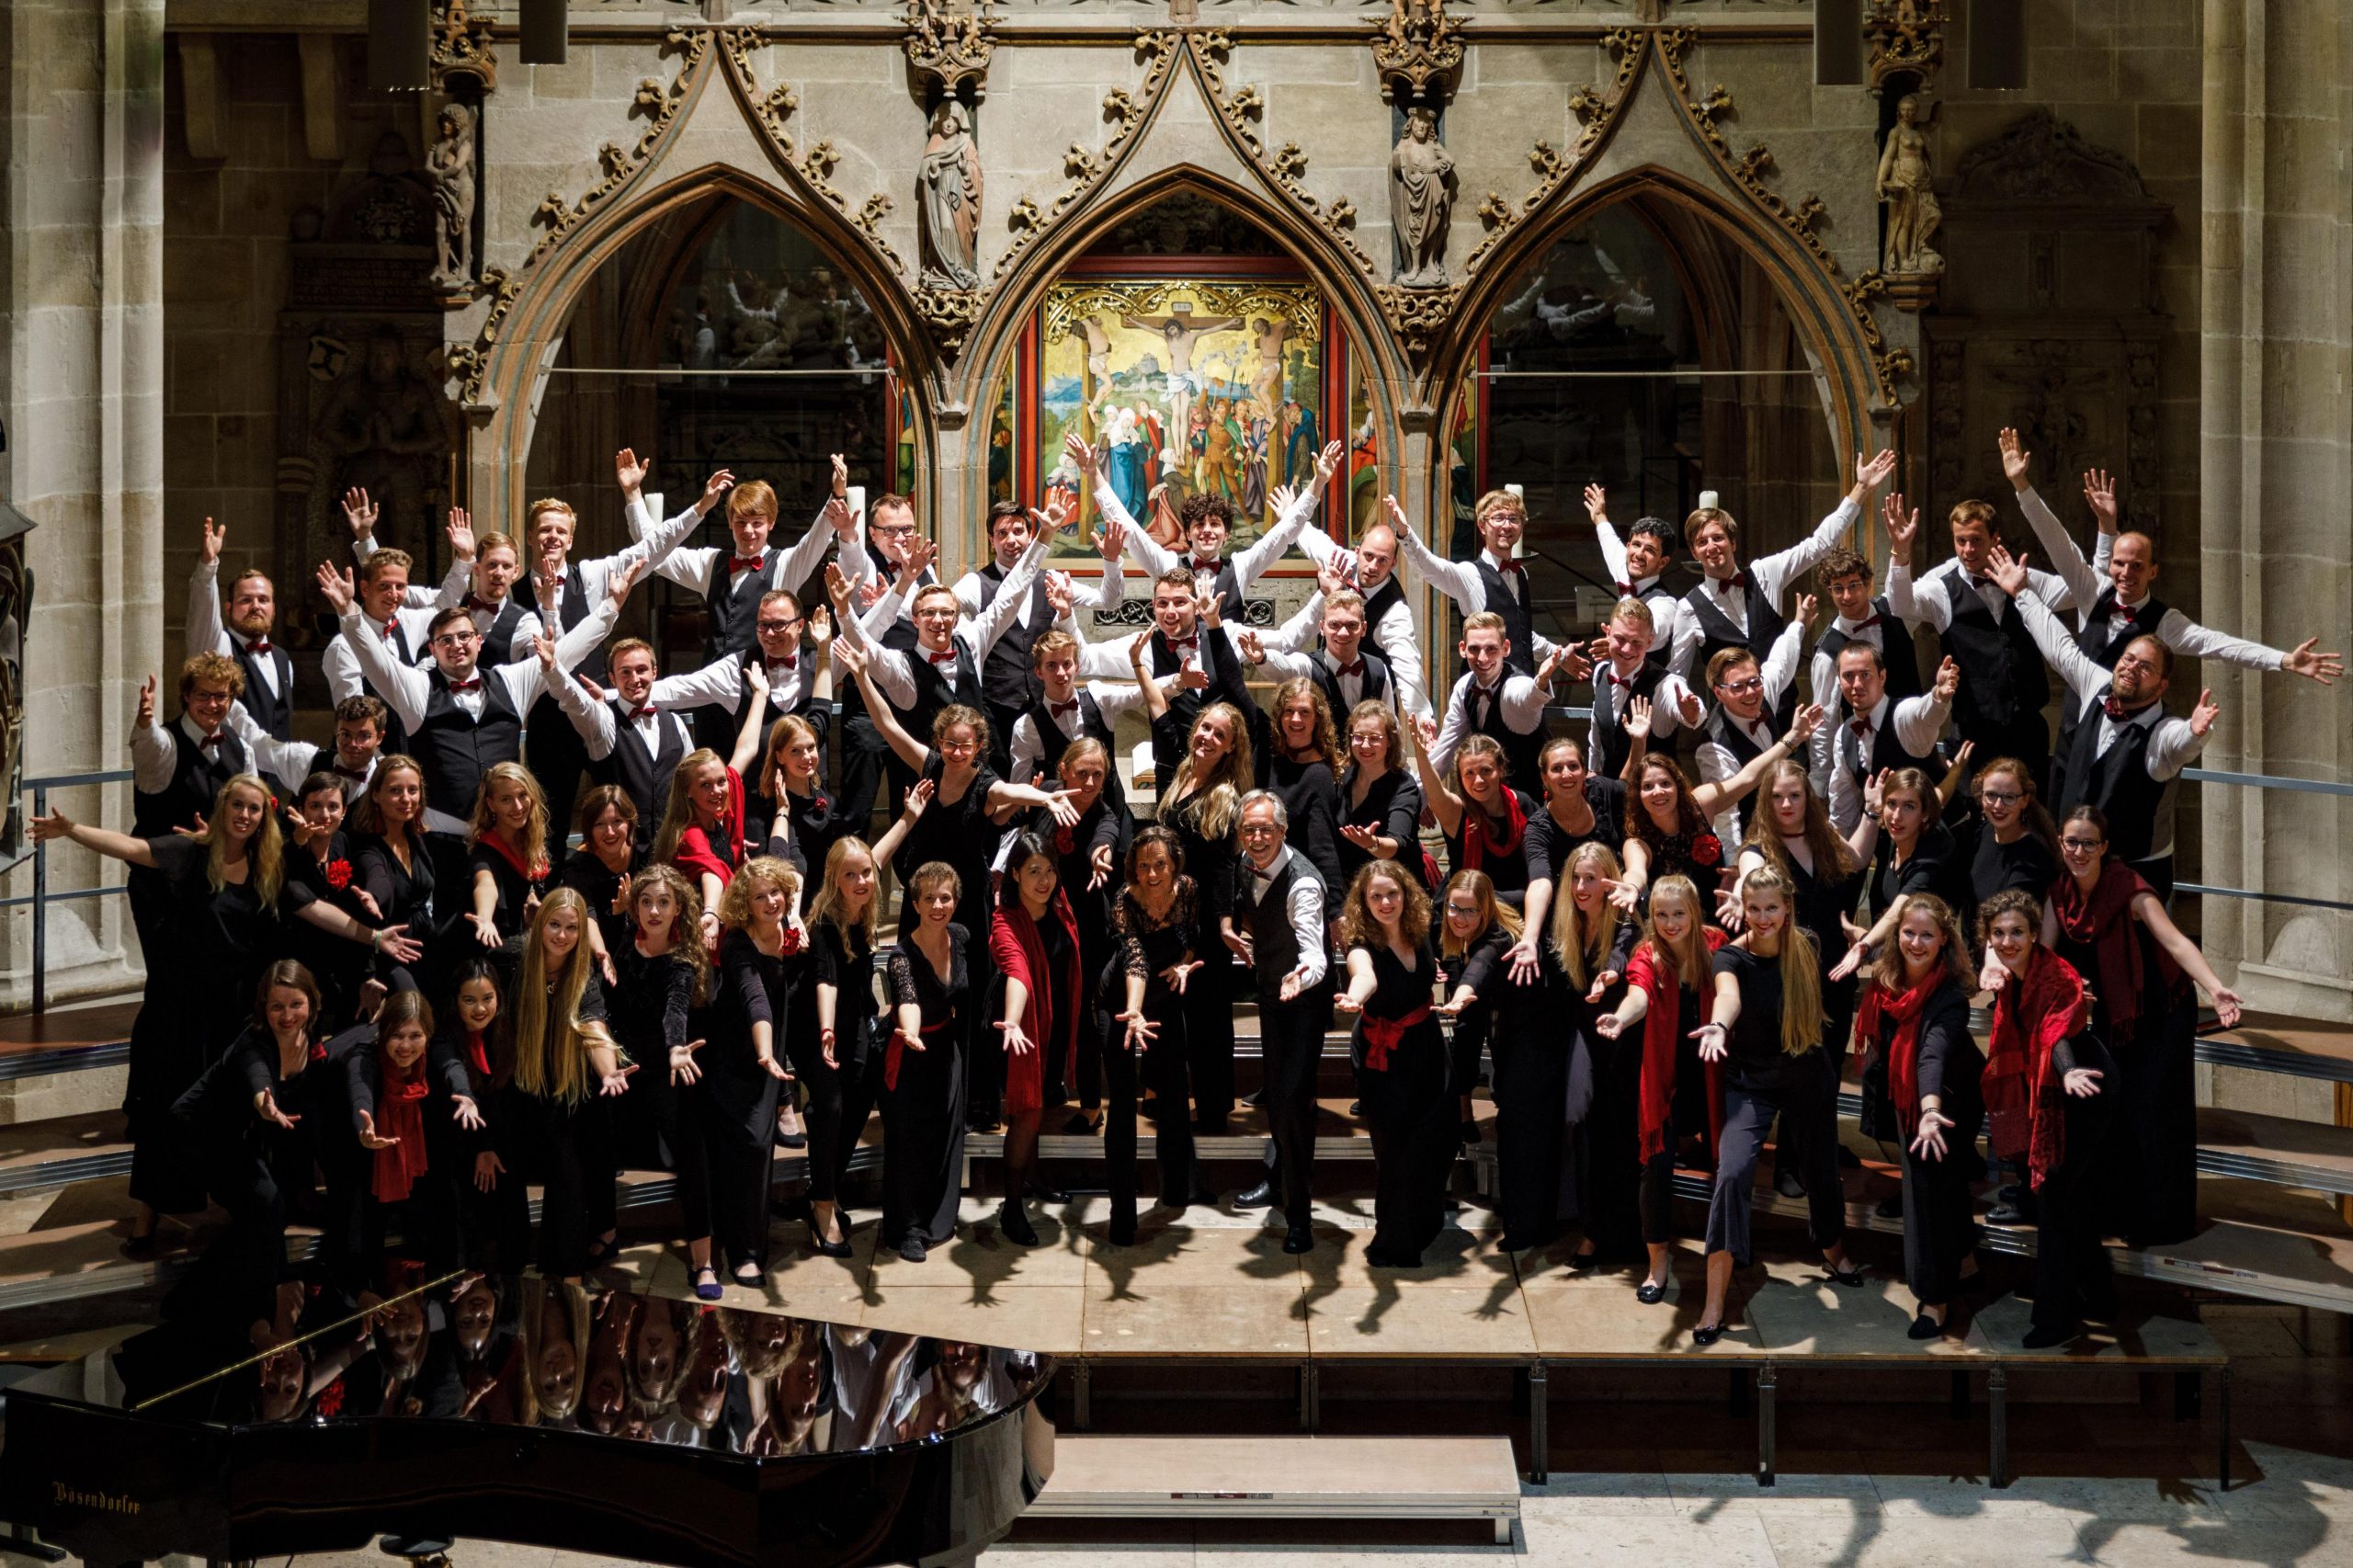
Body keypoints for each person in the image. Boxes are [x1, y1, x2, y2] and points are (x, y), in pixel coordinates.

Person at [35, 776, 413, 1256]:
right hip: (182, 1011)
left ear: (263, 817)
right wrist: (71, 830)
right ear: (223, 807)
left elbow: (317, 910)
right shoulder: (192, 853)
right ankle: (147, 1218)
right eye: (238, 805)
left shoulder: (267, 868)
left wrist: (375, 939)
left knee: (237, 1115)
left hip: (237, 1014)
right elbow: (131, 848)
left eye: (255, 809)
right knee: (166, 1113)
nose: (245, 815)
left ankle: (241, 1208)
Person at [1999, 431, 2340, 799]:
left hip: (2128, 741)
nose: (2126, 574)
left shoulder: (2165, 621)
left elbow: (2219, 645)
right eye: (2118, 564)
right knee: (2062, 816)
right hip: (2076, 729)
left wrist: (2284, 660)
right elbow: (2056, 541)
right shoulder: (2092, 590)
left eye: (2137, 566)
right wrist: (2021, 484)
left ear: (2153, 572)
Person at [320, 558, 631, 842]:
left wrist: (612, 605)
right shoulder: (418, 688)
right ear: (433, 648)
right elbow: (378, 664)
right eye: (446, 639)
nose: (456, 645)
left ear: (478, 641)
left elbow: (569, 650)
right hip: (440, 837)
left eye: (464, 636)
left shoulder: (510, 681)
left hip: (507, 836)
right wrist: (350, 612)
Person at [2046, 805, 2241, 1249]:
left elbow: (2175, 941)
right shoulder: (2058, 895)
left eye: (2088, 843)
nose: (2079, 851)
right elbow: (2043, 954)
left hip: (2162, 1009)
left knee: (2154, 1111)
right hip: (2116, 1014)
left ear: (2105, 848)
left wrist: (2216, 988)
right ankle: (2120, 1211)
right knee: (2116, 1109)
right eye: (2071, 842)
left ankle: (2163, 1221)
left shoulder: (2130, 889)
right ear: (2060, 844)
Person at [1692, 868, 1863, 1346]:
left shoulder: (1804, 944)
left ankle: (1834, 1250)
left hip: (1806, 1071)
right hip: (1750, 1080)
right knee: (1732, 1172)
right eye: (1755, 908)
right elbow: (1727, 997)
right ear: (1743, 909)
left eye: (1772, 908)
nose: (1764, 918)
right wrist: (1719, 1027)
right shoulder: (1730, 957)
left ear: (1787, 907)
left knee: (1821, 1169)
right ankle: (1714, 1299)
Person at [1989, 542, 2218, 899]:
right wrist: (2021, 593)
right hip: (2073, 866)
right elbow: (2057, 642)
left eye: (2145, 667)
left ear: (2162, 685)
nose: (2130, 669)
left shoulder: (2161, 733)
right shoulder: (2097, 683)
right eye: (2128, 660)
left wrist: (2195, 731)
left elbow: (2181, 743)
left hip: (2133, 875)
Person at [165, 963, 346, 1321]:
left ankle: (276, 1286)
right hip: (203, 1133)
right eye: (276, 1006)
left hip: (249, 1132)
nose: (287, 1015)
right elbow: (258, 1080)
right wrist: (265, 1104)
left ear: (312, 1002)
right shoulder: (253, 1045)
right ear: (263, 1008)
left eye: (295, 1004)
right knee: (267, 1208)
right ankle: (194, 1300)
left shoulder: (312, 1035)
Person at [1975, 890, 2113, 1346]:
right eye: (2000, 933)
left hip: (2082, 1085)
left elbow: (2055, 1035)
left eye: (2018, 932)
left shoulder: (2052, 977)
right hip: (2062, 1086)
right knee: (2066, 1201)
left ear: (2036, 934)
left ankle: (2053, 1321)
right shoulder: (2014, 975)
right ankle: (2098, 1299)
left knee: (2054, 1202)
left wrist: (2069, 1069)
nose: (2009, 940)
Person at [1733, 760, 1871, 1198]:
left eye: (1795, 795)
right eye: (1777, 797)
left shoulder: (1823, 837)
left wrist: (1869, 812)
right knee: (1799, 1070)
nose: (1787, 804)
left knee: (1828, 1067)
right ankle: (1790, 1164)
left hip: (1834, 970)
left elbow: (1857, 861)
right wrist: (1740, 898)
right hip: (1791, 979)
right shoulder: (1759, 847)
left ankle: (1821, 1147)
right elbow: (1748, 880)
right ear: (1765, 801)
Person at [1489, 843, 1631, 1255]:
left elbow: (1622, 953)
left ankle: (1600, 1232)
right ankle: (1582, 1222)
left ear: (1609, 881)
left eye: (1592, 879)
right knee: (1574, 1116)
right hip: (1580, 1035)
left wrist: (1610, 975)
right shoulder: (1563, 921)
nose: (1582, 887)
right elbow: (1495, 896)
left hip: (1619, 1037)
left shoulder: (1622, 921)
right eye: (1576, 878)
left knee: (1606, 1129)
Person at [1882, 489, 2078, 785]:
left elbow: (2078, 589)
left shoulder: (2024, 579)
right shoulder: (1941, 590)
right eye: (1961, 541)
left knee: (2031, 815)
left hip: (2028, 731)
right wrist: (1900, 552)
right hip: (1973, 734)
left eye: (1976, 540)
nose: (1968, 550)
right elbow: (1899, 605)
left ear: (1995, 538)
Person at [1593, 874, 1726, 1303]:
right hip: (1665, 1077)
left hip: (1711, 1072)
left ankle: (1728, 1246)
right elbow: (1639, 995)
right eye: (1662, 915)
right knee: (1656, 1166)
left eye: (1679, 914)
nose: (1671, 923)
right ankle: (1658, 1264)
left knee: (1729, 1165)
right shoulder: (1647, 953)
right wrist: (1622, 1018)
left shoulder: (1717, 945)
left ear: (1694, 913)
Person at [1854, 894, 1982, 1338]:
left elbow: (1932, 1053)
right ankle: (1964, 1259)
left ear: (1944, 939)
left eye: (1928, 934)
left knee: (1926, 1198)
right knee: (1942, 1191)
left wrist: (1929, 1110)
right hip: (1912, 1101)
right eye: (1909, 932)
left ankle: (1934, 1299)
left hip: (1947, 1105)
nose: (1916, 941)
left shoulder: (1951, 998)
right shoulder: (1887, 981)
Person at [1670, 449, 1895, 687]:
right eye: (1702, 542)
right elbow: (1676, 674)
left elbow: (1819, 545)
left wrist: (1860, 489)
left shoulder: (1766, 573)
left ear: (1733, 542)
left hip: (1784, 714)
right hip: (1731, 719)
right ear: (1694, 552)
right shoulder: (1688, 609)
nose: (1711, 547)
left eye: (1718, 538)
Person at [1142, 685, 1254, 1145]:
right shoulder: (1181, 771)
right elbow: (1159, 715)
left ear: (1231, 747)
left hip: (1205, 922)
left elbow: (1227, 865)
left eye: (1219, 734)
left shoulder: (1226, 794)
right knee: (1169, 1008)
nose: (1208, 737)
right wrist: (1137, 666)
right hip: (1168, 914)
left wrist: (1227, 923)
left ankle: (1213, 1109)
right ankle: (1165, 1092)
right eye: (1205, 727)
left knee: (1208, 1019)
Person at [798, 829, 915, 1257]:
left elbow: (877, 857)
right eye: (851, 875)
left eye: (865, 873)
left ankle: (823, 1188)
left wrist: (905, 819)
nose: (862, 881)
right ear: (834, 880)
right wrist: (827, 1030)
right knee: (828, 1106)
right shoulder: (825, 922)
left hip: (853, 1021)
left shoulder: (862, 910)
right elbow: (826, 980)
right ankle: (823, 1204)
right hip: (815, 1023)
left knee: (863, 1091)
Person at [510, 888, 632, 1282]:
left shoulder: (583, 975)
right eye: (555, 925)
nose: (562, 935)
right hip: (523, 1080)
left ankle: (567, 1271)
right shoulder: (514, 958)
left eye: (572, 928)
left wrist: (609, 1071)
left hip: (570, 1081)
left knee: (569, 1158)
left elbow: (594, 1025)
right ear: (540, 922)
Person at [1229, 791, 1333, 1252]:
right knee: (1275, 1096)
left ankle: (1300, 1218)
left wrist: (1300, 977)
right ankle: (1277, 1178)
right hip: (1272, 996)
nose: (1257, 837)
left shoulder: (1302, 884)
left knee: (1294, 1103)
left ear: (1283, 831)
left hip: (1304, 1002)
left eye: (1266, 829)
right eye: (1249, 829)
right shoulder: (1244, 863)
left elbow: (1315, 954)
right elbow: (1246, 907)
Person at [952, 498, 1126, 768]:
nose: (1011, 540)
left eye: (1018, 531)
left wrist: (1112, 561)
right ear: (991, 540)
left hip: (1045, 708)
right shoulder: (976, 584)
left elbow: (1109, 601)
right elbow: (943, 606)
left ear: (1030, 535)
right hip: (996, 710)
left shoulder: (1053, 580)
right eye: (1002, 533)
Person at [1334, 858, 1448, 1267]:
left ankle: (1425, 1224)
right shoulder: (1362, 945)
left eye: (1392, 893)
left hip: (1426, 1047)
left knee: (1431, 1141)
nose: (1385, 902)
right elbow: (1364, 975)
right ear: (1364, 903)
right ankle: (1393, 1244)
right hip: (1383, 1056)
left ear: (1406, 895)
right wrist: (1355, 996)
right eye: (1375, 896)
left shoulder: (1419, 931)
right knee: (1395, 1150)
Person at [548, 635, 772, 842]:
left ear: (654, 672)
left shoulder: (675, 723)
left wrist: (718, 834)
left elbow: (695, 787)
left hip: (673, 847)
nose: (634, 679)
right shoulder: (603, 721)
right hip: (619, 850)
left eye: (641, 670)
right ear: (612, 678)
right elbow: (575, 702)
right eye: (625, 672)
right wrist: (552, 668)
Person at [701, 858, 805, 1288]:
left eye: (775, 893)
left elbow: (791, 860)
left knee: (758, 1150)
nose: (770, 901)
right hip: (735, 1058)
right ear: (745, 902)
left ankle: (748, 1246)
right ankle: (742, 1252)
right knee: (746, 1147)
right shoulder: (738, 946)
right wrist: (765, 1051)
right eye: (759, 895)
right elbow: (753, 998)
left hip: (769, 1058)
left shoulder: (789, 932)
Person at [1618, 710, 1823, 917]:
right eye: (1648, 787)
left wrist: (1794, 736)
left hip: (1721, 914)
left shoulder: (1700, 803)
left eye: (1665, 783)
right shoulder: (1636, 842)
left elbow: (1748, 778)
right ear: (1638, 795)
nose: (1658, 792)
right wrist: (1632, 887)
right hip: (1671, 927)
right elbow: (1635, 871)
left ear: (1678, 786)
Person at [1101, 828, 1202, 1244]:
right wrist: (1135, 1012)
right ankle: (1122, 1214)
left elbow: (1192, 937)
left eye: (1160, 864)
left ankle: (1178, 1189)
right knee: (1123, 1105)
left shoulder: (1189, 890)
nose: (1152, 873)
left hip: (1164, 996)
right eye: (1143, 865)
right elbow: (1136, 959)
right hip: (1121, 1002)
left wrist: (1185, 963)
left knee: (1176, 1090)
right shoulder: (1125, 900)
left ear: (1174, 864)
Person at [989, 833, 1086, 1245]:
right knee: (1026, 1112)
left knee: (1043, 1104)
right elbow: (1019, 973)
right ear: (1014, 874)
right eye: (1033, 872)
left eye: (1049, 870)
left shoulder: (1060, 906)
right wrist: (1013, 1021)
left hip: (1054, 1023)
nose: (1044, 880)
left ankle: (1034, 1178)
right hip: (1018, 1029)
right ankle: (1011, 1207)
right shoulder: (1004, 922)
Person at [881, 861, 976, 1263]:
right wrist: (913, 1032)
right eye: (930, 898)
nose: (938, 905)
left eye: (946, 897)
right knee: (908, 1143)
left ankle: (937, 1221)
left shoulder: (960, 935)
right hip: (910, 1050)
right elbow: (908, 1001)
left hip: (946, 1048)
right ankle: (907, 1229)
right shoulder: (902, 956)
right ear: (915, 903)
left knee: (944, 1136)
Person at [342, 990, 457, 1284]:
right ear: (382, 1034)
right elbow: (359, 1091)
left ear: (428, 1035)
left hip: (404, 1152)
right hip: (346, 1132)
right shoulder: (365, 1055)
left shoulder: (428, 1063)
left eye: (415, 1036)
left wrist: (466, 1097)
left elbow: (453, 1069)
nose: (406, 1046)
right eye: (397, 1035)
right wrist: (363, 1128)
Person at [1391, 487, 1563, 677]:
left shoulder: (1520, 574)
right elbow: (1431, 568)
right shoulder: (1470, 574)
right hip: (1485, 692)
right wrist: (1405, 532)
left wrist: (1560, 655)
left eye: (1514, 519)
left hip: (1524, 691)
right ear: (1482, 526)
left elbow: (1520, 634)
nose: (1507, 526)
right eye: (1498, 518)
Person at [431, 955, 530, 1272]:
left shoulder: (505, 1032)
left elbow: (507, 1101)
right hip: (456, 1141)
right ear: (456, 1002)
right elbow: (453, 1071)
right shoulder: (444, 1036)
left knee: (509, 1174)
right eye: (469, 1000)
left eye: (487, 999)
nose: (480, 1009)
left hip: (497, 1136)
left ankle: (514, 1281)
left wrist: (489, 1146)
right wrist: (480, 1145)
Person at [1293, 507, 1433, 720]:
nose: (1372, 566)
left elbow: (1408, 667)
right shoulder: (1343, 563)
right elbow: (1312, 540)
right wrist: (1291, 512)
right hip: (1327, 689)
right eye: (1368, 556)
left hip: (1371, 705)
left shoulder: (1395, 611)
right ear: (1357, 552)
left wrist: (1421, 717)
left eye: (1383, 560)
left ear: (1394, 563)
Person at [1693, 610, 1813, 845]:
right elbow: (1726, 817)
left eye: (1754, 682)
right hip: (1755, 841)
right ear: (1719, 693)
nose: (1750, 692)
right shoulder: (1713, 748)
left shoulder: (1762, 690)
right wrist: (1736, 866)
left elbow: (1782, 660)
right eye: (1737, 687)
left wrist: (1799, 624)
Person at [1513, 736, 1629, 978]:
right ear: (1544, 778)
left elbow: (1635, 790)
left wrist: (1639, 742)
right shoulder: (1538, 827)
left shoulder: (1603, 791)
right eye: (1557, 769)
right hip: (1568, 920)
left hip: (1615, 910)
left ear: (1584, 771)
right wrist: (1529, 938)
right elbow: (1540, 881)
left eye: (1573, 766)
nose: (1567, 774)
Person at [1006, 628, 1146, 824]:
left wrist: (1179, 681)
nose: (1061, 673)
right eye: (1051, 666)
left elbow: (1141, 694)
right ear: (1038, 671)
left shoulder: (1098, 696)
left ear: (1077, 667)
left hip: (1112, 813)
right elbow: (1018, 790)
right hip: (1062, 822)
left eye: (1066, 664)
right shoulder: (1026, 727)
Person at [1430, 610, 1577, 794]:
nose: (1482, 658)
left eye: (1491, 649)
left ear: (1505, 648)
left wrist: (1541, 680)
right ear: (1462, 649)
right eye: (1474, 649)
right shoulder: (1464, 687)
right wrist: (1421, 796)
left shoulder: (1514, 684)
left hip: (1534, 802)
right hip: (1491, 799)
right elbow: (1444, 751)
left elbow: (1527, 696)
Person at [1822, 641, 1954, 835]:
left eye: (1865, 675)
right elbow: (1843, 811)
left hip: (1939, 836)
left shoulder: (1902, 715)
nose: (1857, 684)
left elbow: (1923, 713)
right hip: (1891, 844)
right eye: (1848, 676)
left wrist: (1939, 697)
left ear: (1882, 677)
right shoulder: (1844, 735)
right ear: (1839, 681)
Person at [188, 515, 298, 740]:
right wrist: (208, 566)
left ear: (274, 609)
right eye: (245, 600)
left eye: (263, 600)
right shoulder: (220, 645)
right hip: (232, 770)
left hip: (277, 773)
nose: (255, 606)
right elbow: (203, 614)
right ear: (228, 608)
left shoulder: (282, 658)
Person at [1807, 545, 1925, 748]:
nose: (1846, 596)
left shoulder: (1896, 610)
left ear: (1868, 583)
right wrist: (1820, 779)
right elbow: (1824, 722)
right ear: (1829, 591)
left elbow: (1930, 582)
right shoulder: (1827, 652)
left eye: (1853, 585)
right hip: (1866, 748)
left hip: (1914, 736)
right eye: (1838, 588)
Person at [1436, 870, 1518, 1148]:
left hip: (1506, 995)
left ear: (1485, 909)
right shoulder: (1443, 915)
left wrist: (1462, 995)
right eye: (1454, 908)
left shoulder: (1498, 935)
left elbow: (1482, 964)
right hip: (1462, 961)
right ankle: (1463, 1112)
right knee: (1466, 1027)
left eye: (1470, 911)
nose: (1460, 917)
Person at [351, 756, 446, 995]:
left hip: (426, 947)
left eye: (412, 790)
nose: (406, 799)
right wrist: (373, 897)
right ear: (375, 794)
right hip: (390, 953)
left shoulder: (417, 838)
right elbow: (378, 876)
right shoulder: (366, 845)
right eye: (395, 791)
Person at [1411, 726, 1534, 907]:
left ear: (1500, 770)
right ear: (1460, 777)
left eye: (1485, 770)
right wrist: (1421, 754)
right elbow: (1435, 794)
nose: (1478, 780)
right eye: (1469, 773)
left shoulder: (1523, 804)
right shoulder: (1457, 811)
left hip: (1516, 905)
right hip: (1466, 907)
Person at [653, 747, 752, 953]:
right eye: (705, 785)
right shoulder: (691, 835)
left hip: (718, 935)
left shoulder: (713, 816)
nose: (717, 790)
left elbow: (747, 749)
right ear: (688, 791)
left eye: (721, 782)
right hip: (699, 939)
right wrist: (711, 912)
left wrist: (759, 712)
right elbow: (711, 872)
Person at [1583, 598, 1689, 786]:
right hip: (1610, 788)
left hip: (1654, 795)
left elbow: (1688, 713)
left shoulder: (1665, 683)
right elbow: (1596, 727)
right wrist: (1593, 769)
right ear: (1608, 633)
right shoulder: (1601, 672)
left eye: (1636, 642)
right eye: (1620, 639)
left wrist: (1691, 711)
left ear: (1650, 642)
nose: (1627, 649)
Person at [1262, 678, 1347, 906]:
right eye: (1289, 711)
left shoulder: (1319, 775)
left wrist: (1336, 910)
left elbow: (1323, 846)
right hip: (1263, 883)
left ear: (1318, 719)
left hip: (1298, 888)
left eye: (1304, 712)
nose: (1296, 719)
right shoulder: (1269, 759)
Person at [462, 761, 551, 977]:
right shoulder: (485, 850)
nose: (518, 807)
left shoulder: (532, 842)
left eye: (523, 795)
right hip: (493, 950)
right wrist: (484, 917)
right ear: (491, 804)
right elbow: (486, 884)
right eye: (506, 800)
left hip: (523, 941)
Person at [1336, 699, 1427, 896]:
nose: (1365, 745)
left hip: (1395, 894)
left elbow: (1398, 843)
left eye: (1375, 738)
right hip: (1352, 893)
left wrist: (1372, 843)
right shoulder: (1344, 778)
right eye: (1358, 737)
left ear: (1390, 741)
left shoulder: (1404, 786)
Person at [1582, 484, 1682, 663]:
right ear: (1628, 547)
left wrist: (1619, 641)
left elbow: (1655, 633)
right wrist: (1599, 516)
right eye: (1636, 545)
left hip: (1648, 688)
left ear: (1663, 562)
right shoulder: (1626, 569)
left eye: (1650, 550)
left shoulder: (1665, 604)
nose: (1639, 554)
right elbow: (1610, 542)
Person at [557, 786, 640, 966]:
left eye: (617, 821)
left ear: (630, 822)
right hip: (598, 951)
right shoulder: (578, 867)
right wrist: (601, 953)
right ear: (589, 829)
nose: (610, 832)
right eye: (599, 824)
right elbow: (587, 916)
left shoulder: (643, 851)